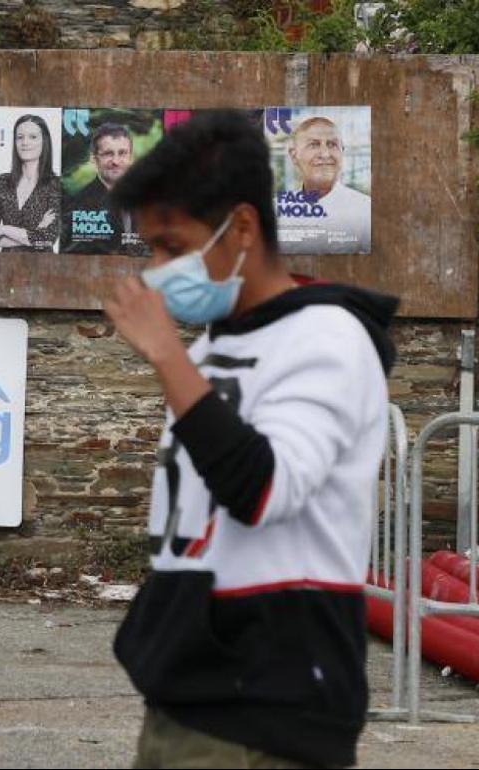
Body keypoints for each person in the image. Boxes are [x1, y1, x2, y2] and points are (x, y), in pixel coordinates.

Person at [103, 109, 397, 769]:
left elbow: (263, 489)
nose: (155, 270)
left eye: (173, 248)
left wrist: (166, 358)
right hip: (192, 691)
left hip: (268, 706)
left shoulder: (328, 340)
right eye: (148, 248)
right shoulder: (217, 343)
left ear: (241, 228)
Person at [284, 115, 372, 252]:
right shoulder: (275, 210)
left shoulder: (366, 210)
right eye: (314, 144)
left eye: (332, 144)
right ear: (294, 155)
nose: (325, 154)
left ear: (342, 151)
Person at [0, 113, 61, 252]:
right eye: (20, 137)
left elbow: (48, 239)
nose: (25, 142)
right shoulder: (3, 181)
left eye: (33, 137)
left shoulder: (55, 185)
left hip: (43, 267)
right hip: (6, 266)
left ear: (44, 141)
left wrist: (3, 229)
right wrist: (34, 233)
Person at [60, 122, 137, 254]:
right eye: (108, 154)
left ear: (130, 157)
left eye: (122, 153)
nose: (116, 161)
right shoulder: (77, 206)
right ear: (94, 160)